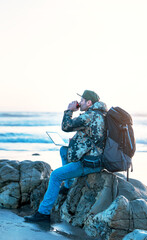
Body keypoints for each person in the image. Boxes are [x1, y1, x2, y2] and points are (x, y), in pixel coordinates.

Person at [24, 90, 107, 222]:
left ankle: (43, 213)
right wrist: (74, 143)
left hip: (89, 162)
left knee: (55, 175)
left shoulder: (90, 115)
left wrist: (70, 110)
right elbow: (90, 136)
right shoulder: (99, 114)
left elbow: (66, 126)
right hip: (95, 158)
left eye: (82, 101)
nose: (80, 103)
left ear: (89, 102)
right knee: (64, 150)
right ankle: (68, 186)